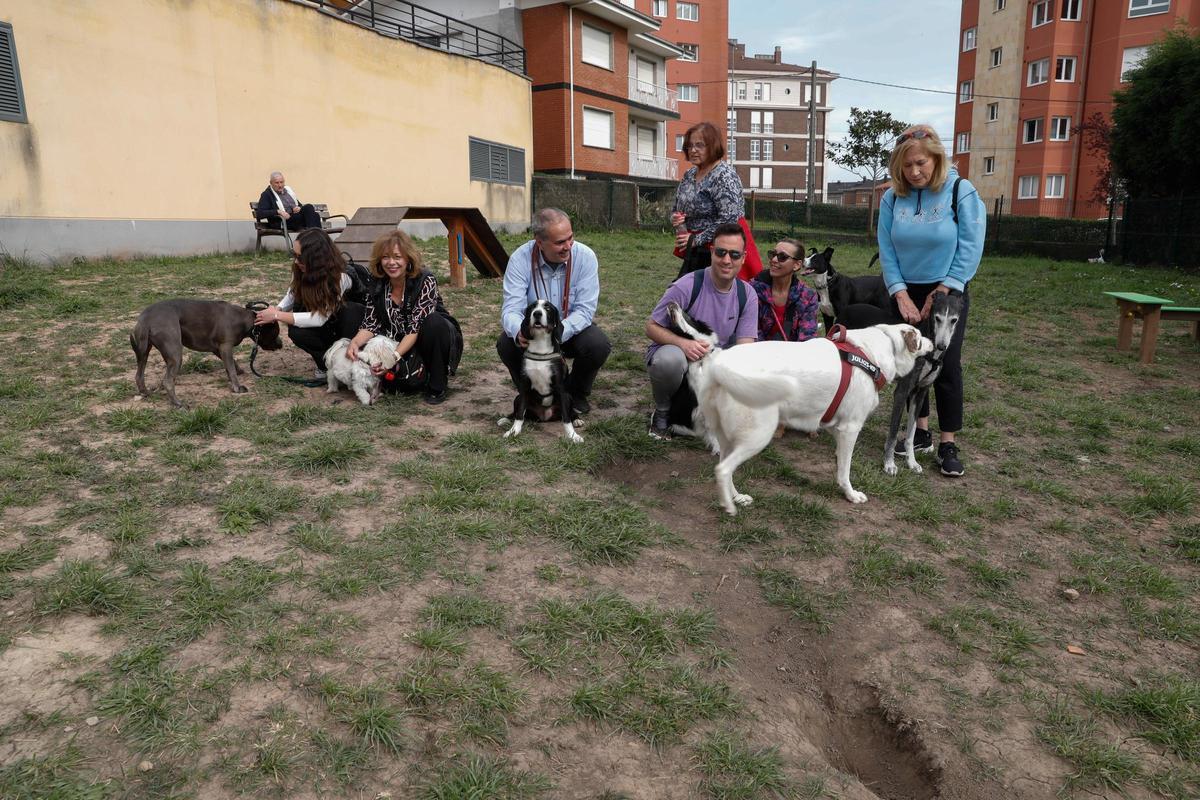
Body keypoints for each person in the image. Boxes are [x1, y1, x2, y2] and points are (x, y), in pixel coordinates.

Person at [838, 125, 985, 477]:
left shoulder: (960, 191)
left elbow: (971, 244)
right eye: (907, 166)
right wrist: (899, 293)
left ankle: (947, 443)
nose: (915, 172)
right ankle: (920, 432)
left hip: (948, 289)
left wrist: (946, 288)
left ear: (935, 158)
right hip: (904, 290)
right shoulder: (892, 198)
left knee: (944, 363)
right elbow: (886, 249)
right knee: (909, 364)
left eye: (921, 163)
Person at [646, 222, 759, 440]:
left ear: (744, 258)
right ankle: (662, 411)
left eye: (734, 255)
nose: (727, 260)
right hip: (683, 358)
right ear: (711, 252)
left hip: (716, 362)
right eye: (721, 252)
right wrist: (683, 344)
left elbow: (746, 347)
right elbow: (651, 327)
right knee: (668, 361)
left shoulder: (748, 295)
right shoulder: (687, 285)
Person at [497, 208, 611, 417]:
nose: (568, 246)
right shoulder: (519, 259)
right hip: (535, 334)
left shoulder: (585, 257)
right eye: (560, 242)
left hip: (568, 329)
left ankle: (575, 393)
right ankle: (531, 393)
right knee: (506, 342)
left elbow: (585, 311)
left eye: (570, 238)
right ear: (539, 242)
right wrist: (519, 332)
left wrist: (556, 333)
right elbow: (511, 309)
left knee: (598, 344)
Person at [344, 230, 459, 405]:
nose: (391, 263)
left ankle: (437, 383)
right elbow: (370, 323)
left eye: (397, 257)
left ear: (408, 259)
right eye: (385, 257)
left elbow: (415, 328)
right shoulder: (376, 282)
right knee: (352, 311)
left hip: (426, 337)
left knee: (434, 322)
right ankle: (400, 375)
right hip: (396, 341)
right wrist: (355, 342)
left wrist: (392, 358)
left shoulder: (425, 280)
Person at [254, 227, 364, 379]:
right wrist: (277, 308)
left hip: (351, 326)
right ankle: (325, 364)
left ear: (316, 258)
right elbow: (292, 294)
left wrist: (276, 314)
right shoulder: (300, 268)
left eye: (300, 257)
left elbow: (320, 318)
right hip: (328, 321)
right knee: (296, 330)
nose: (296, 261)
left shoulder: (342, 276)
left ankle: (351, 363)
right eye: (294, 255)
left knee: (351, 311)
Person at [670, 122, 758, 280]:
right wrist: (677, 219)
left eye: (699, 145)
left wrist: (697, 239)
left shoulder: (724, 175)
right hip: (696, 249)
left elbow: (729, 219)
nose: (693, 150)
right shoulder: (689, 174)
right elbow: (677, 207)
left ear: (713, 147)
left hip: (723, 247)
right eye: (689, 146)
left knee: (716, 297)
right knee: (687, 293)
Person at [751, 238, 820, 342]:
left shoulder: (808, 297)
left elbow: (807, 338)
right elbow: (751, 332)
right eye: (772, 254)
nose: (774, 260)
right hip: (758, 352)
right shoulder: (752, 290)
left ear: (797, 265)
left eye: (782, 257)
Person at [256, 171, 322, 232]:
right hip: (283, 221)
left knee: (313, 212)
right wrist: (278, 211)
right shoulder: (267, 194)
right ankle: (316, 240)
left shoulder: (288, 191)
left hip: (295, 218)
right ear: (271, 183)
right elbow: (260, 213)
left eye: (281, 182)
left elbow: (299, 205)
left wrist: (298, 208)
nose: (280, 185)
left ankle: (314, 239)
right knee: (313, 214)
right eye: (277, 183)